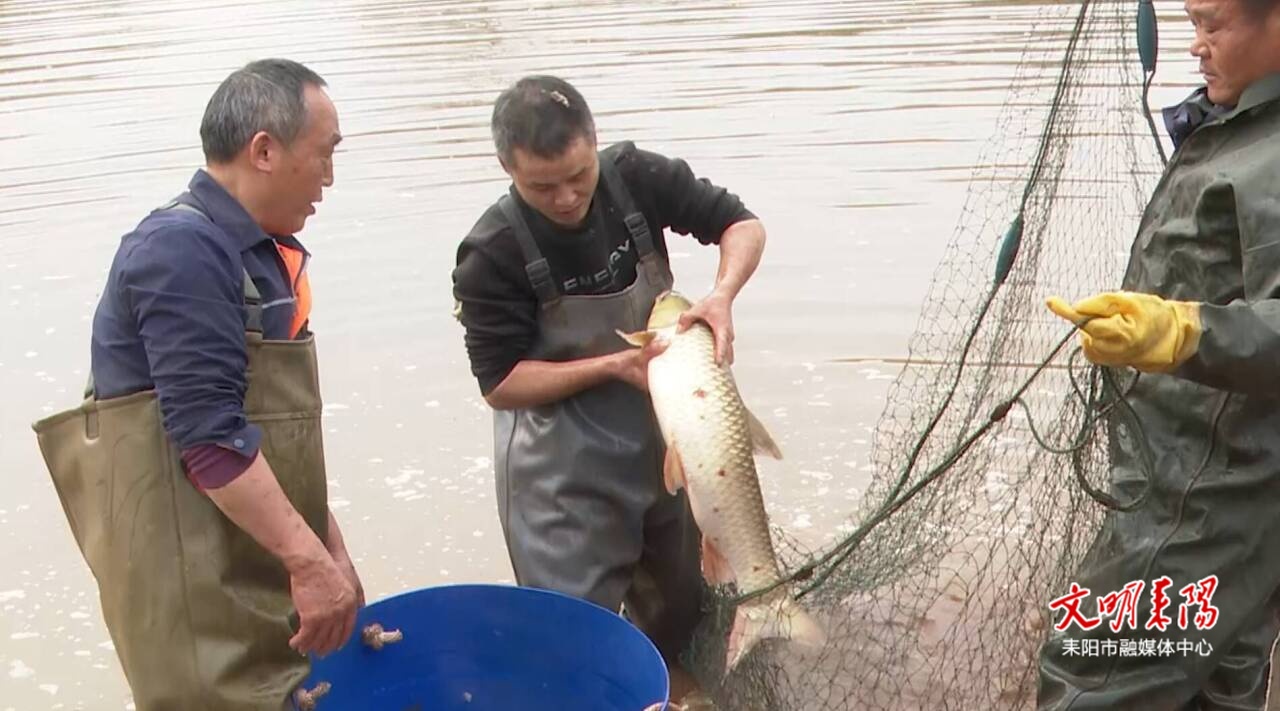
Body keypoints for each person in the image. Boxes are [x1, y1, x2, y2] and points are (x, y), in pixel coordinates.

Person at [32, 58, 361, 711]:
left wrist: (331, 548)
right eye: (323, 156)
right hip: (191, 593)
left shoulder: (264, 257)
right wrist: (311, 564)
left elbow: (262, 438)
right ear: (264, 150)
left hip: (253, 567)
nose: (329, 178)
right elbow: (210, 442)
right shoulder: (180, 250)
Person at [451, 75, 766, 704]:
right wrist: (611, 367)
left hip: (660, 440)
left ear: (595, 144)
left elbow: (743, 224)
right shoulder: (490, 252)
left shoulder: (637, 177)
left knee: (679, 612)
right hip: (558, 472)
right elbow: (502, 384)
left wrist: (722, 295)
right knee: (576, 643)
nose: (567, 198)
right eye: (543, 186)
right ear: (507, 168)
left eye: (578, 175)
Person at [1038, 1, 1280, 707]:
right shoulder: (1239, 125)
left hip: (1211, 499)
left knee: (1089, 667)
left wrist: (1179, 331)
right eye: (1190, 22)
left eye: (1214, 26)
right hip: (1206, 489)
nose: (1196, 47)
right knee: (1215, 688)